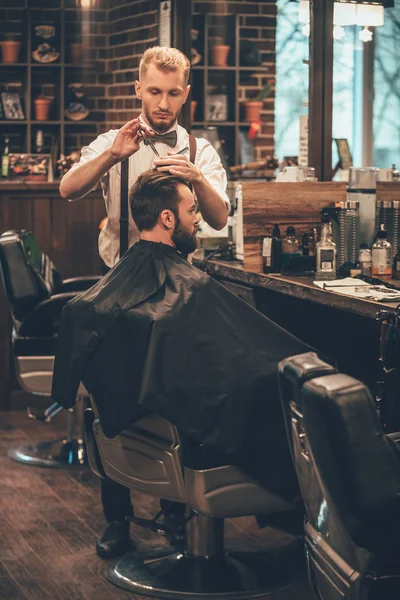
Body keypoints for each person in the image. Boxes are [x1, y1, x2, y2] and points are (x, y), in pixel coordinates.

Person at [58, 45, 230, 559]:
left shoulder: (200, 149)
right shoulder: (114, 140)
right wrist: (114, 155)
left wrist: (198, 180)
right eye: (154, 91)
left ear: (186, 94)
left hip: (175, 293)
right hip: (120, 287)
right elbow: (68, 189)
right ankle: (117, 521)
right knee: (111, 403)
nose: (163, 102)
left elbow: (219, 219)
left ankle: (176, 515)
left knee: (174, 401)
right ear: (138, 88)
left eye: (173, 93)